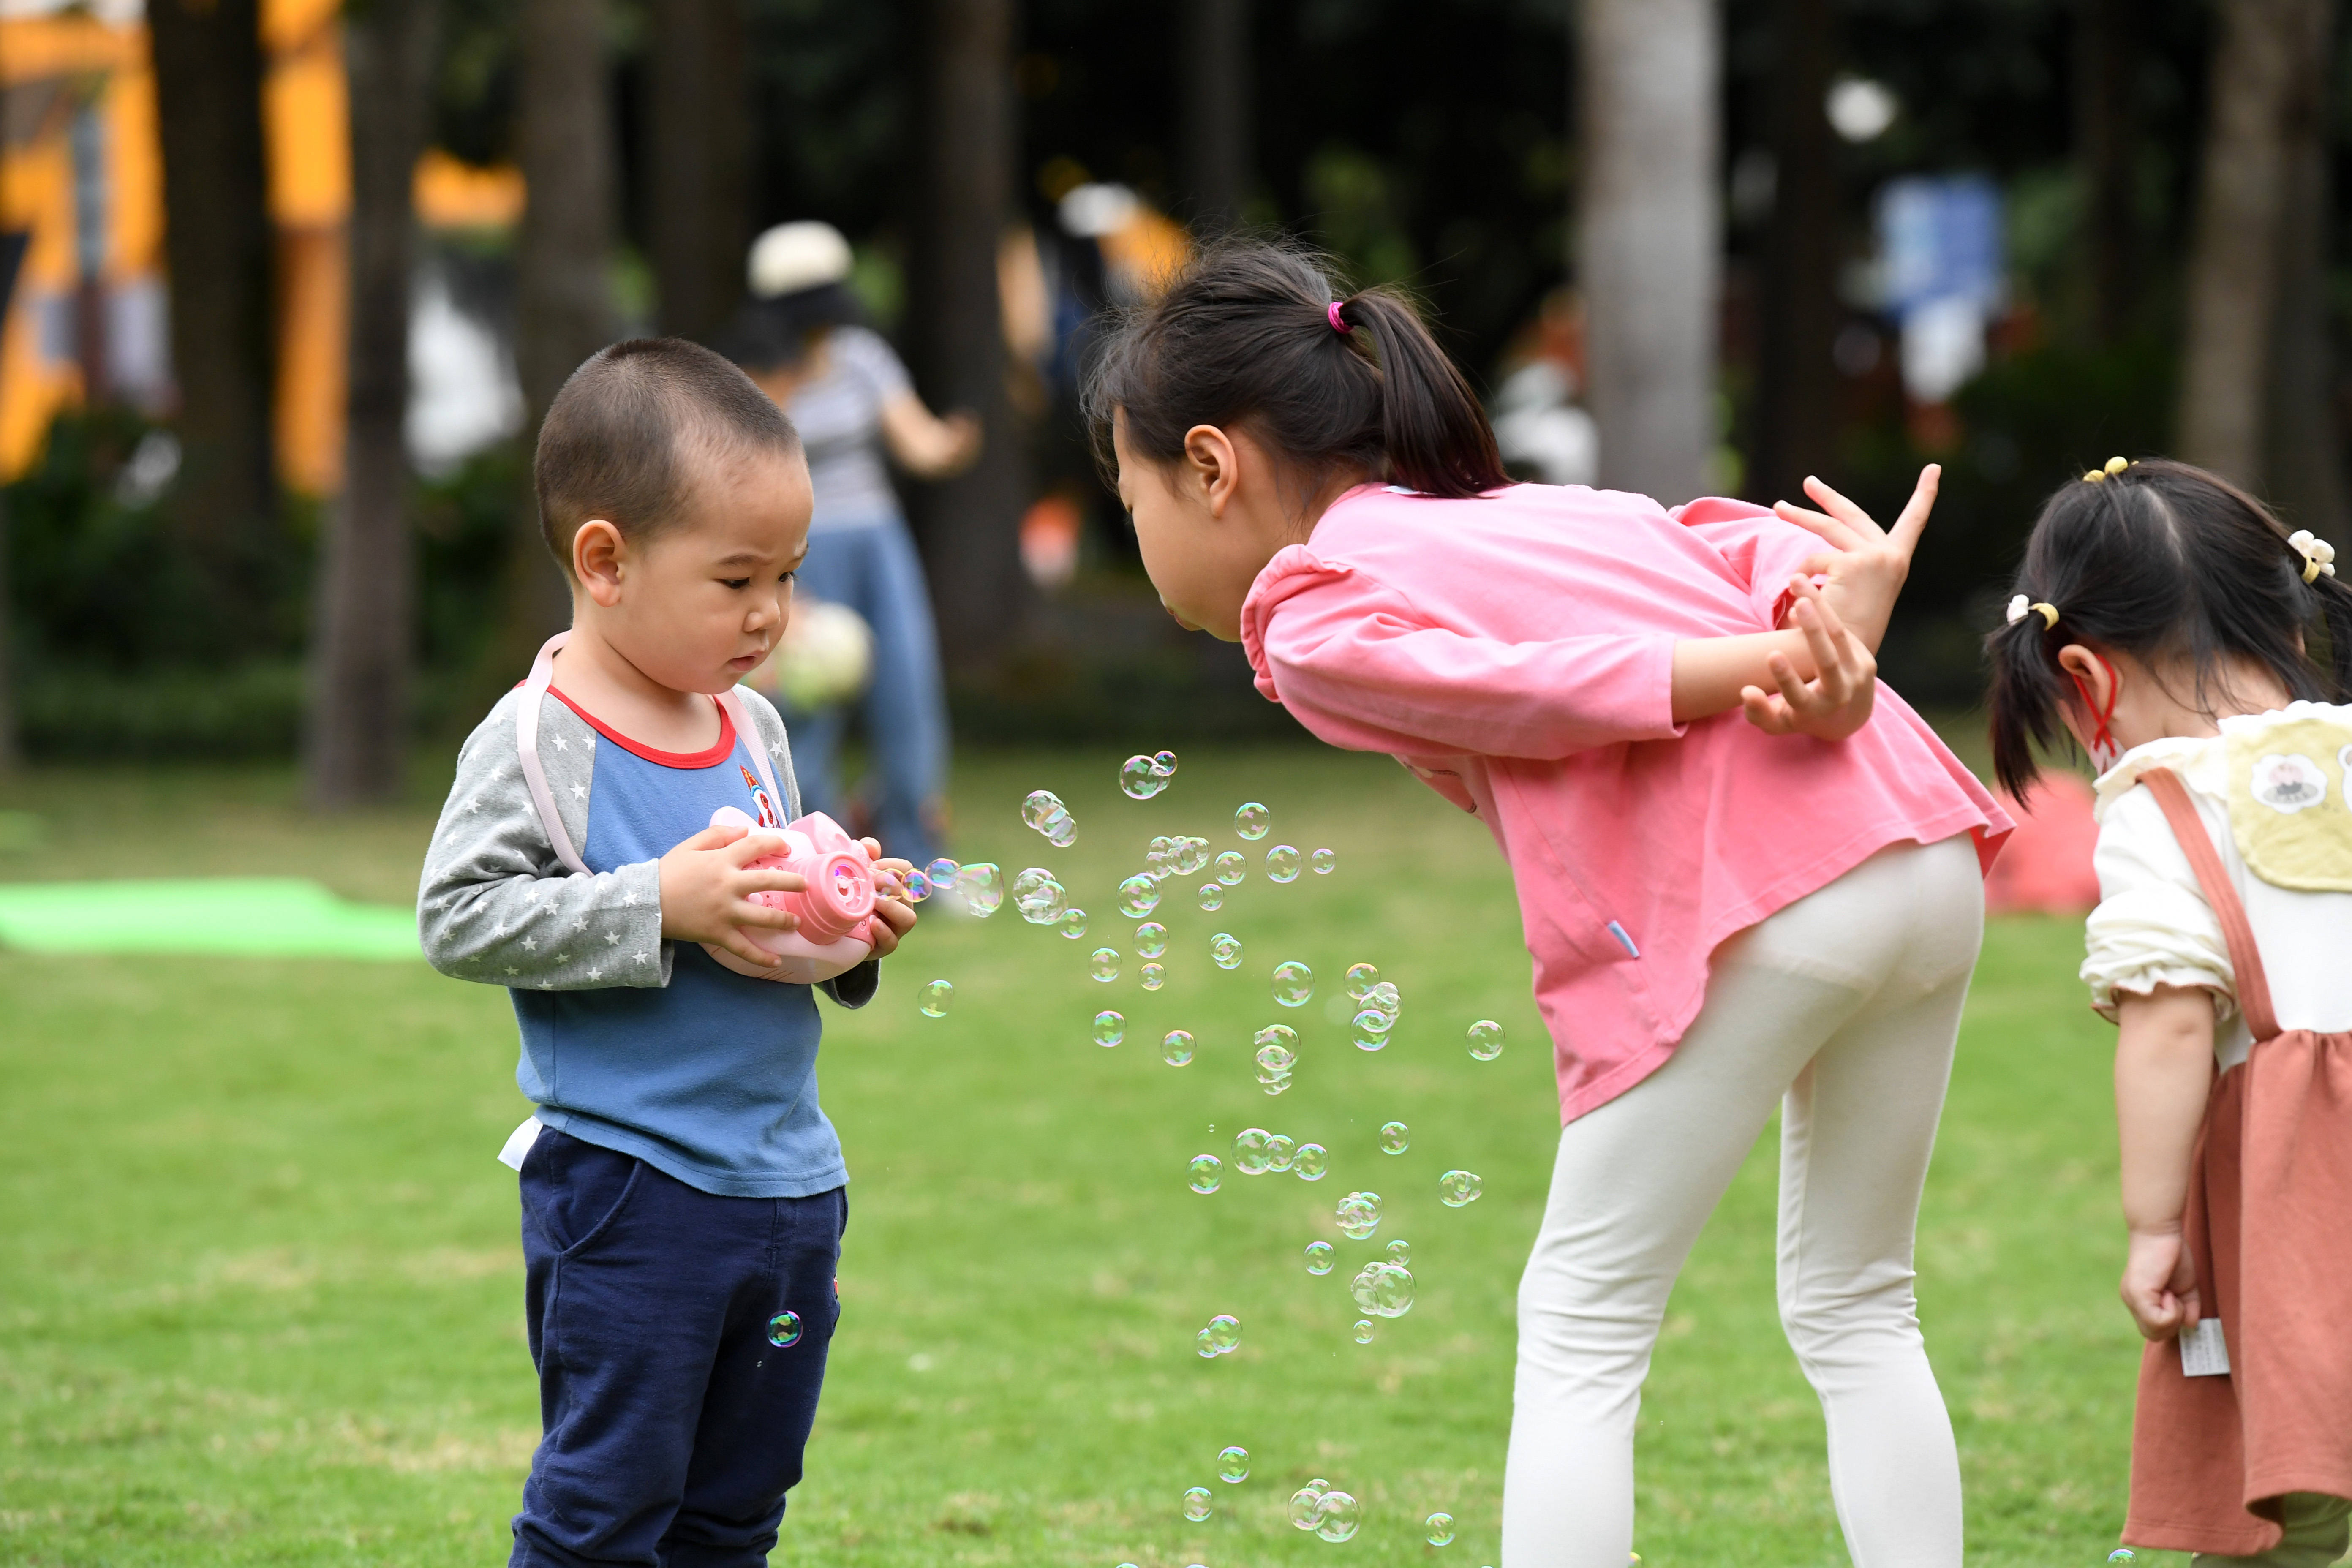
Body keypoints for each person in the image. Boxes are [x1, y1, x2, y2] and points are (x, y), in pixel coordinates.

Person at [1083, 240, 2012, 1567]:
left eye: (1133, 498)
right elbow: (1728, 540)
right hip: (1918, 852)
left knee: (1584, 1323)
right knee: (1861, 1303)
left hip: (1766, 899)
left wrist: (1788, 646)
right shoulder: (1522, 512)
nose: (1144, 537)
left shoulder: (1310, 606)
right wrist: (1827, 614)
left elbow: (1536, 690)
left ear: (1213, 469)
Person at [415, 338, 920, 1566]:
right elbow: (458, 916)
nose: (772, 615)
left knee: (736, 1513)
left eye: (789, 577)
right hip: (633, 1194)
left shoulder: (749, 721)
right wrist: (659, 905)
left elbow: (769, 931)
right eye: (738, 578)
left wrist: (844, 929)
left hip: (788, 1187)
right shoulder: (543, 740)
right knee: (604, 1512)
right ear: (606, 561)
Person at [1988, 457, 2352, 1564]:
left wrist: (2154, 1226)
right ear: (2291, 621)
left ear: (2086, 683)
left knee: (2298, 1503)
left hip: (2303, 1199)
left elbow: (2173, 1026)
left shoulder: (2161, 809)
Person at [720, 220, 981, 871]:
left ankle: (920, 855)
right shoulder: (753, 373)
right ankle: (814, 866)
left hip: (878, 542)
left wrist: (952, 443)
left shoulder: (861, 356)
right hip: (795, 555)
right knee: (805, 708)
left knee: (908, 693)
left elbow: (916, 442)